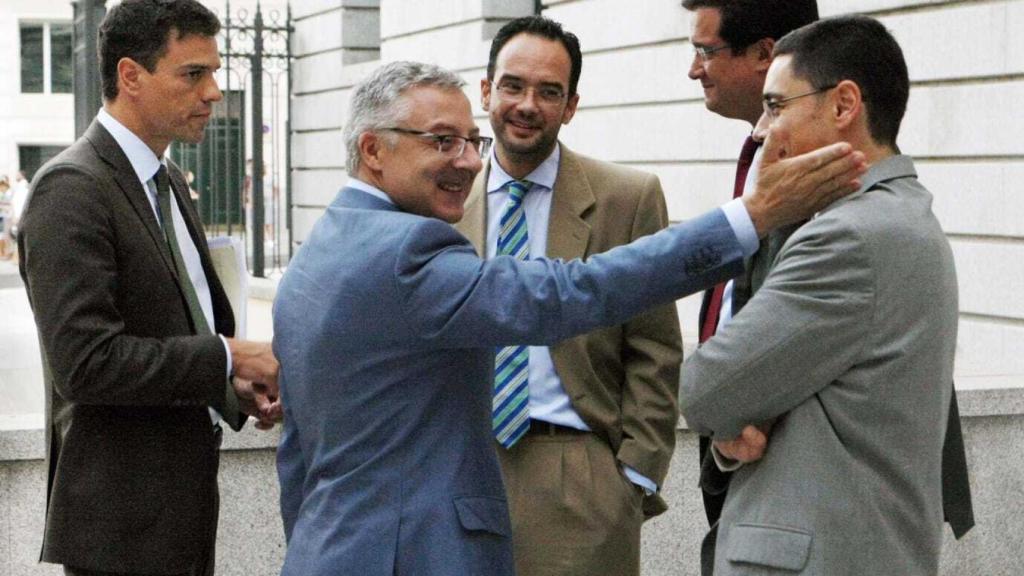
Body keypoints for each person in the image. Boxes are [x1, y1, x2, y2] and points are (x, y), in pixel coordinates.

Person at [273, 61, 863, 576]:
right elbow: (570, 293)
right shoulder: (406, 254)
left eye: (471, 140)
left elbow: (297, 457)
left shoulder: (314, 256)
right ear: (374, 149)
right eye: (442, 142)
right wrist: (750, 217)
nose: (470, 161)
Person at [681, 3, 973, 566]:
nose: (763, 129)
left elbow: (705, 389)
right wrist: (733, 429)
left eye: (775, 105)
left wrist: (729, 420)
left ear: (843, 105)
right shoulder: (896, 217)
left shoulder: (848, 238)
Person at [17, 1, 281, 575]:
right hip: (119, 532)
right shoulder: (71, 188)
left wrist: (234, 386)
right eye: (194, 74)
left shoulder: (165, 181)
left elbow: (177, 323)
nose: (214, 92)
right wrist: (226, 355)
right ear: (130, 76)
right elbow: (86, 363)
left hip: (178, 514)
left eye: (215, 71)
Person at [454, 16, 680, 575]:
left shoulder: (627, 199)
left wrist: (634, 475)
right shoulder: (442, 203)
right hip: (458, 470)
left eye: (548, 91)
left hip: (579, 477)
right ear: (486, 92)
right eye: (513, 86)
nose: (527, 104)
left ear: (571, 105)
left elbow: (656, 346)